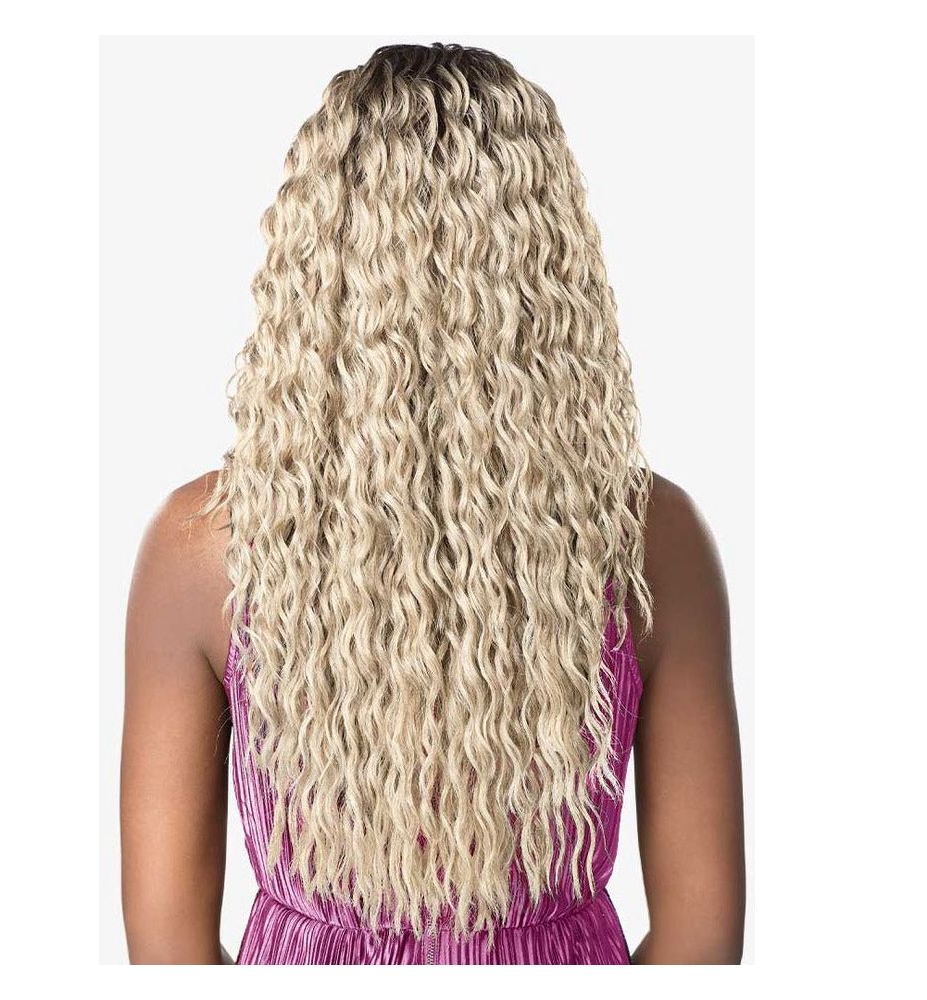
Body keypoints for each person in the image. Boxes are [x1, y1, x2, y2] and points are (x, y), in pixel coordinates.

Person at [121, 42, 745, 965]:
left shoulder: (206, 547)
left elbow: (165, 946)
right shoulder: (652, 541)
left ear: (318, 262)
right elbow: (703, 937)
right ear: (547, 264)